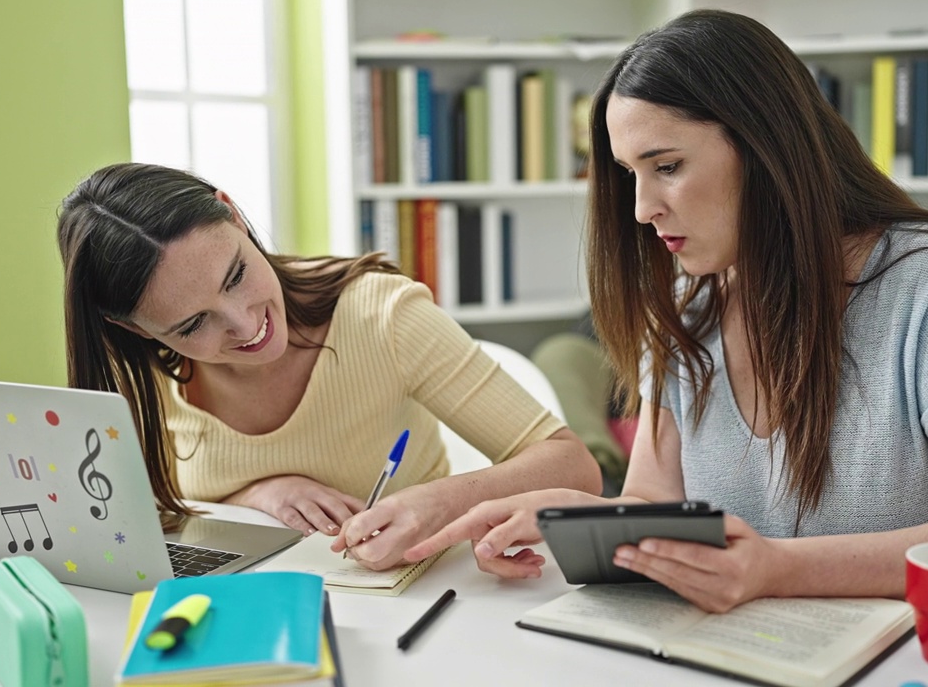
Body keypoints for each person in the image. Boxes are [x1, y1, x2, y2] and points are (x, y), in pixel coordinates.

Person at [408, 8, 928, 610]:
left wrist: (775, 570)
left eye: (667, 165)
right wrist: (568, 516)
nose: (642, 209)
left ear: (764, 146)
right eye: (629, 175)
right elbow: (653, 504)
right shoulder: (690, 307)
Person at [56, 163, 601, 571]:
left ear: (236, 214)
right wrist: (258, 494)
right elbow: (140, 511)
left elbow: (574, 467)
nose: (246, 327)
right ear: (135, 329)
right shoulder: (134, 374)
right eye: (193, 325)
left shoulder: (382, 316)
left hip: (420, 609)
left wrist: (439, 501)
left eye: (236, 276)